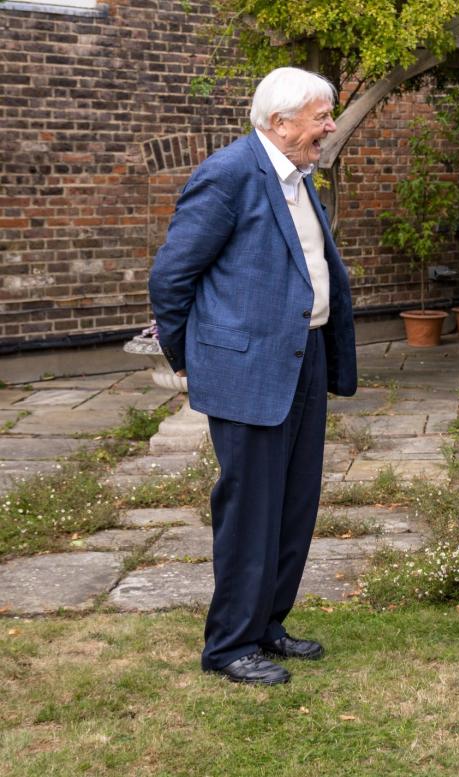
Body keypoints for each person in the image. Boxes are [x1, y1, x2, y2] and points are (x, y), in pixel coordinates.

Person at [148, 67, 356, 685]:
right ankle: (229, 646)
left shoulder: (297, 176)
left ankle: (267, 625)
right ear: (279, 123)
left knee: (294, 504)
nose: (329, 126)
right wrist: (190, 358)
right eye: (320, 116)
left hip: (304, 358)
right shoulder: (230, 173)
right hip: (248, 368)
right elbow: (171, 277)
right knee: (250, 510)